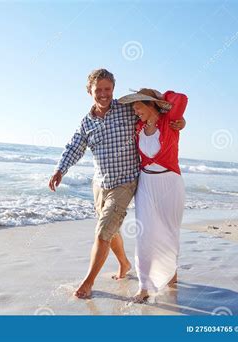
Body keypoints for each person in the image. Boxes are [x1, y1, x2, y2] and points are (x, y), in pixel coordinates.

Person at [48, 69, 185, 299]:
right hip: (101, 182)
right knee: (111, 232)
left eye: (107, 89)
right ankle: (124, 263)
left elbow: (154, 113)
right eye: (98, 90)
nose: (103, 94)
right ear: (89, 91)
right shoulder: (86, 123)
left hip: (126, 181)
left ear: (113, 89)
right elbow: (74, 147)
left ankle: (87, 282)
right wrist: (60, 169)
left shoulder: (126, 111)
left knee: (103, 231)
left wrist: (180, 121)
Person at [117, 88, 188, 303]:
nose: (135, 110)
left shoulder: (170, 122)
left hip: (170, 184)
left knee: (169, 232)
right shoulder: (138, 127)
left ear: (150, 104)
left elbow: (181, 98)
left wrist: (159, 98)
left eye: (138, 104)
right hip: (146, 183)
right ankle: (144, 286)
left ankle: (170, 271)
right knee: (144, 234)